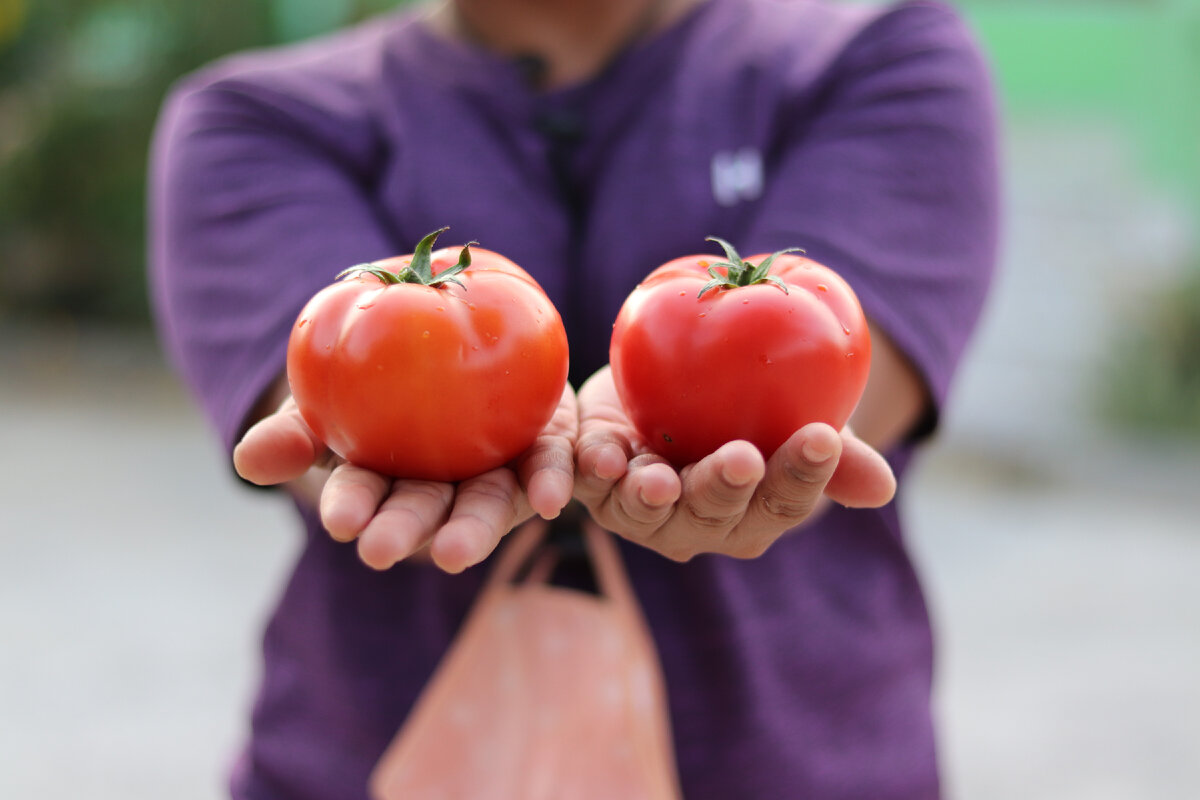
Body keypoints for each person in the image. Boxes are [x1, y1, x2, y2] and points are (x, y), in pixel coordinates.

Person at [149, 0, 998, 797]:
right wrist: (375, 448)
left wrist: (742, 445)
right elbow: (313, 405)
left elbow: (844, 399)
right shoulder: (253, 118)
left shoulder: (874, 54)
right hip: (365, 764)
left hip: (800, 765)